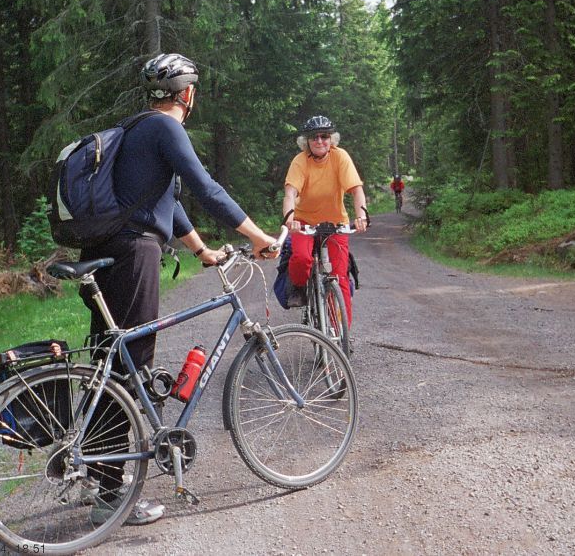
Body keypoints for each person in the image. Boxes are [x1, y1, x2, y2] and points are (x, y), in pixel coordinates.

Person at [80, 52, 277, 526]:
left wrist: (201, 250)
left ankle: (100, 473)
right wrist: (257, 235)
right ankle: (112, 495)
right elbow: (205, 189)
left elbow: (162, 198)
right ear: (188, 93)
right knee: (131, 366)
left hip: (111, 250)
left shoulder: (135, 128)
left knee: (112, 360)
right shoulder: (167, 129)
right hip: (133, 254)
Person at [281, 115, 368, 326]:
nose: (320, 141)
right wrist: (289, 219)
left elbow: (356, 190)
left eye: (324, 136)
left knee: (340, 278)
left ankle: (341, 335)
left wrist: (361, 216)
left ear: (332, 139)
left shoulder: (341, 157)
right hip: (304, 221)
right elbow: (290, 193)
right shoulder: (300, 161)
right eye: (314, 137)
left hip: (336, 223)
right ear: (307, 141)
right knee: (301, 258)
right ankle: (300, 287)